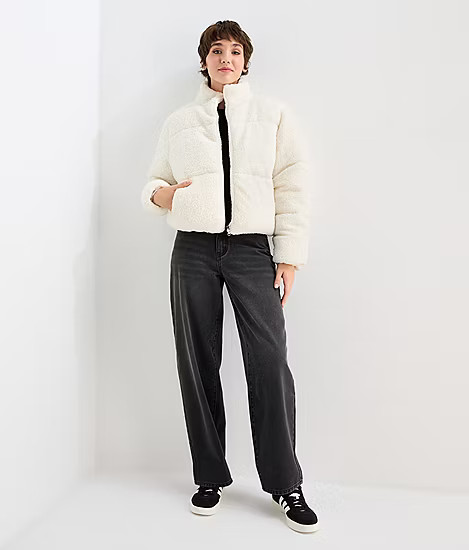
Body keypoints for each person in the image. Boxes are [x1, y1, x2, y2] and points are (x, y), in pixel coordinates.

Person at [141, 20, 318, 533]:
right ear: (204, 61)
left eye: (235, 51)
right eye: (217, 51)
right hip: (193, 248)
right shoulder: (179, 121)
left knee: (270, 360)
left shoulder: (272, 115)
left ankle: (285, 483)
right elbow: (154, 181)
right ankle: (209, 476)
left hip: (251, 249)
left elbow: (292, 184)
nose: (226, 58)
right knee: (198, 361)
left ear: (245, 61)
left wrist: (289, 256)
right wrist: (163, 196)